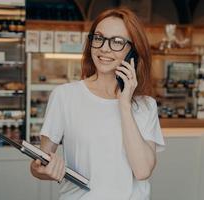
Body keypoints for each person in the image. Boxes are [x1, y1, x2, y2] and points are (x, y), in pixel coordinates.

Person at [30, 7, 165, 200]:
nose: (104, 48)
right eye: (99, 38)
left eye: (117, 41)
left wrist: (124, 103)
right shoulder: (65, 96)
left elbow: (142, 171)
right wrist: (43, 168)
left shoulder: (146, 105)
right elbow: (38, 165)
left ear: (132, 52)